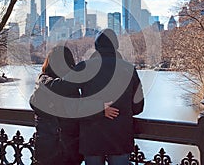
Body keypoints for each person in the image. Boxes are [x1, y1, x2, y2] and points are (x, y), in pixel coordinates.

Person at [62, 28, 144, 165]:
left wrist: (95, 108)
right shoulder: (129, 69)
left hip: (92, 136)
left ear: (96, 46)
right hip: (120, 136)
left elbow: (62, 93)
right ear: (116, 46)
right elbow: (138, 107)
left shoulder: (84, 67)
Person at [29, 45, 83, 165]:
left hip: (46, 147)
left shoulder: (41, 82)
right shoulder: (65, 85)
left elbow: (33, 103)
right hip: (67, 148)